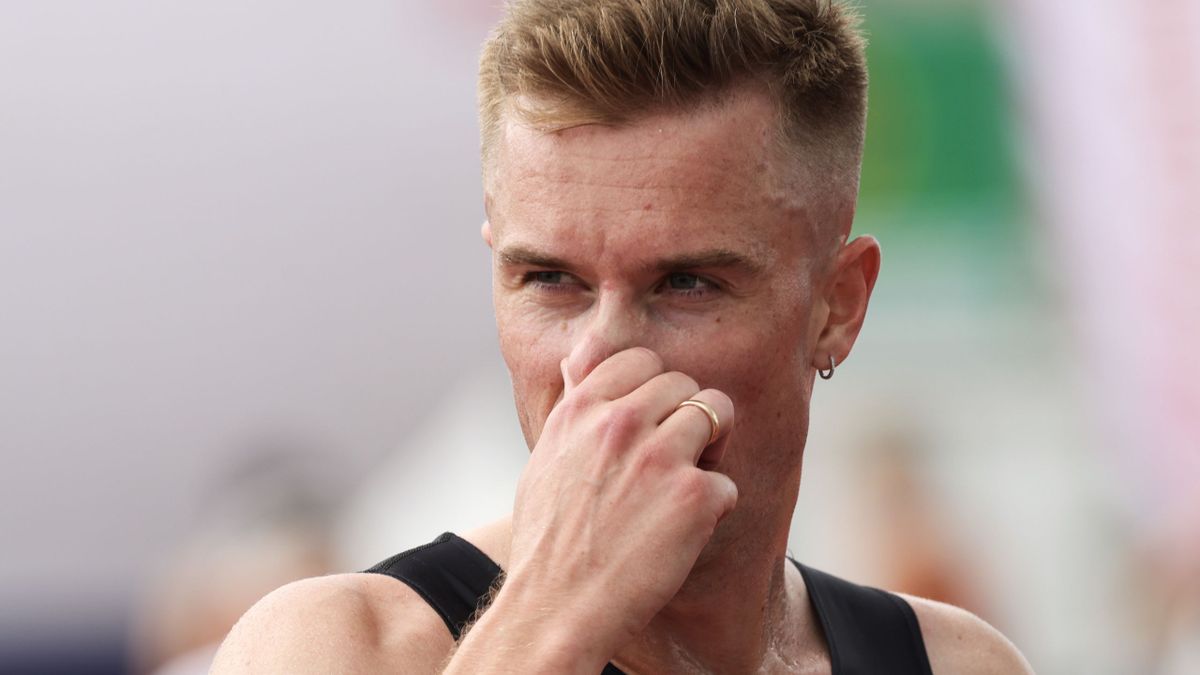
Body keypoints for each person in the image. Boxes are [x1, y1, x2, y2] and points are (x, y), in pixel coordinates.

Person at [212, 1, 1034, 672]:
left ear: (838, 306)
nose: (597, 357)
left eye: (687, 284)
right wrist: (549, 618)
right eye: (549, 279)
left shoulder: (953, 663)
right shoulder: (336, 648)